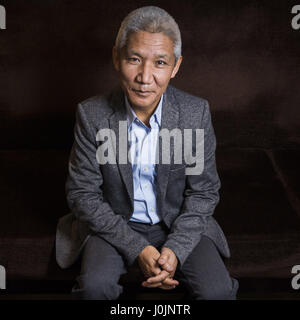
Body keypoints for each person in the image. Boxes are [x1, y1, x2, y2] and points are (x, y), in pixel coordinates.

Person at [55, 5, 239, 300]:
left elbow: (204, 192)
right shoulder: (92, 115)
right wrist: (137, 248)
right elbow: (82, 194)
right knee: (94, 288)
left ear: (176, 66)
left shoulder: (195, 113)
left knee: (218, 292)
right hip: (113, 223)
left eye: (160, 63)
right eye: (135, 59)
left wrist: (176, 249)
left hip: (178, 221)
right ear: (117, 57)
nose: (145, 76)